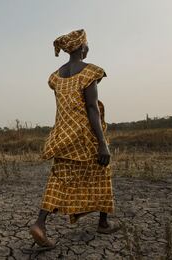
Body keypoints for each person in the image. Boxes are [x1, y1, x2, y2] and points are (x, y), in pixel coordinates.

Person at [29, 29, 119, 249]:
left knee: (58, 180)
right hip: (84, 135)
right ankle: (103, 223)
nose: (88, 47)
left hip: (62, 135)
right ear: (81, 47)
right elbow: (91, 108)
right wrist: (102, 143)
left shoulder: (56, 77)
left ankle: (40, 223)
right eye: (87, 44)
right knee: (101, 173)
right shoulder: (89, 72)